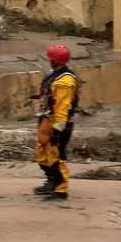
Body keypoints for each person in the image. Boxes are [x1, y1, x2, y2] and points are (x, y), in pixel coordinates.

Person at [34, 43, 79, 202]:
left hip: (58, 122)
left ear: (55, 60)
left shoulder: (65, 81)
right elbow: (52, 97)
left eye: (50, 58)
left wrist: (59, 129)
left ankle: (61, 189)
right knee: (41, 151)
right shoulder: (55, 75)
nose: (49, 61)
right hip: (47, 118)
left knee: (55, 154)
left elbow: (63, 106)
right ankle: (51, 181)